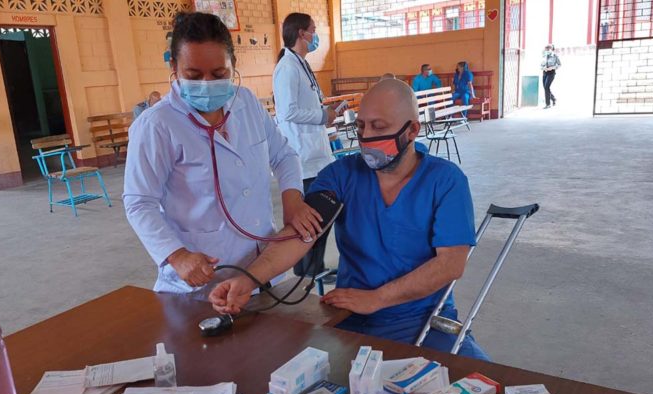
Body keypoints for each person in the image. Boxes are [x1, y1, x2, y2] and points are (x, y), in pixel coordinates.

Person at [209, 79, 490, 360]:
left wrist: (377, 298)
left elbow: (450, 264)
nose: (366, 138)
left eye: (379, 127)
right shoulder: (341, 175)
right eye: (360, 126)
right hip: (353, 318)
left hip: (425, 319)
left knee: (480, 385)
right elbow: (299, 236)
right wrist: (248, 280)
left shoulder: (445, 181)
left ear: (413, 130)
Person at [123, 12, 320, 297]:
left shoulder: (247, 103)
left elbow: (284, 154)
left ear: (233, 65)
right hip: (200, 283)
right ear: (174, 67)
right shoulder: (156, 125)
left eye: (219, 74)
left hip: (264, 269)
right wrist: (177, 256)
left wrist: (292, 198)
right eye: (193, 75)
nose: (206, 83)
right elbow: (139, 202)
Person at [273, 12, 337, 277]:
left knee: (323, 215)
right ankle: (306, 269)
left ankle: (315, 266)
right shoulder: (287, 67)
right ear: (301, 33)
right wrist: (322, 116)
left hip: (317, 154)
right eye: (313, 30)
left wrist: (325, 116)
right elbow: (287, 111)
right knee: (313, 218)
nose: (315, 36)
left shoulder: (300, 64)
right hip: (304, 159)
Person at [540, 44, 561, 109]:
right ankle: (553, 99)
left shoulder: (555, 56)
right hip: (544, 73)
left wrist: (552, 67)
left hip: (551, 73)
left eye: (549, 49)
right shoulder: (544, 55)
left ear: (552, 49)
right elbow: (541, 64)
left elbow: (559, 64)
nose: (547, 50)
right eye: (546, 49)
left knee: (546, 87)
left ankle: (548, 104)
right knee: (545, 88)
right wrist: (543, 68)